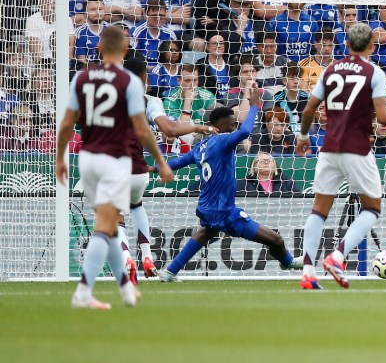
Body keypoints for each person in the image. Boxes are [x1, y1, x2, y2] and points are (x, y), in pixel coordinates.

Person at [55, 26, 173, 309]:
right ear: (123, 51)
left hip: (88, 159)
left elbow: (68, 122)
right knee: (106, 227)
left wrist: (59, 157)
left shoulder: (82, 78)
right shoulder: (127, 82)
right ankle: (85, 293)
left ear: (97, 49)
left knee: (107, 226)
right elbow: (143, 131)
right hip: (114, 159)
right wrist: (160, 160)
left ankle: (125, 288)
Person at [157, 82, 302, 282]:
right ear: (220, 126)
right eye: (232, 124)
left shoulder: (201, 146)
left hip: (207, 206)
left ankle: (169, 272)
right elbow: (244, 133)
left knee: (206, 233)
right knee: (275, 239)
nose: (234, 127)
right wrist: (254, 106)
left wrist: (151, 168)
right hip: (224, 210)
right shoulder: (222, 140)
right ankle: (288, 262)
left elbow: (176, 163)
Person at [294, 23, 386, 290]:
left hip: (329, 147)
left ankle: (308, 271)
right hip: (357, 148)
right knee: (373, 207)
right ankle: (338, 257)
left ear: (347, 45)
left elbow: (308, 110)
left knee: (319, 209)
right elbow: (385, 117)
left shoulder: (330, 70)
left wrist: (304, 137)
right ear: (371, 47)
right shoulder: (374, 72)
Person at [120, 56, 214, 282]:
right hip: (139, 169)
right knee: (136, 205)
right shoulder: (149, 101)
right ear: (144, 78)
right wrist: (198, 126)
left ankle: (125, 258)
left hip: (113, 166)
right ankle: (147, 255)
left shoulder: (109, 97)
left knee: (114, 217)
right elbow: (169, 130)